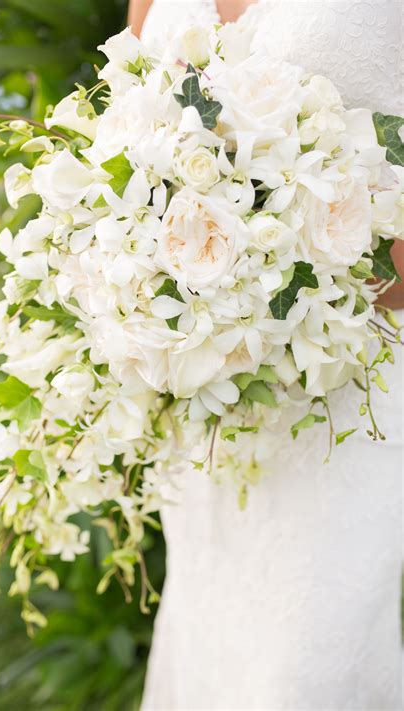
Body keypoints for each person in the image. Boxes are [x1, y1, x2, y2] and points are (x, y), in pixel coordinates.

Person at [127, 2, 403, 708]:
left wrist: (310, 268)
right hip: (205, 390)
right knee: (210, 652)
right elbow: (129, 115)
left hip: (351, 388)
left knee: (309, 673)